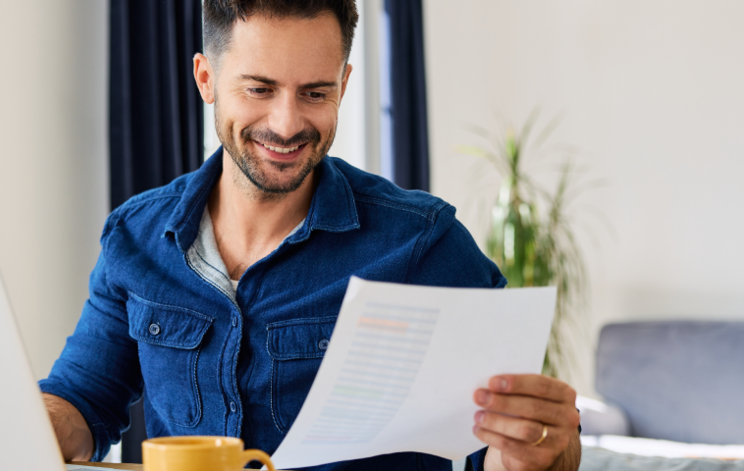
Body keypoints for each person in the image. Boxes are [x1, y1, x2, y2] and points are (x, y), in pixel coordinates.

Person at [39, 1, 581, 470]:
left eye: (315, 93)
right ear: (206, 79)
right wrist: (35, 420)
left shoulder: (423, 243)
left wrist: (534, 450)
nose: (287, 123)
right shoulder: (134, 236)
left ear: (343, 84)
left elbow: (516, 442)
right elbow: (81, 402)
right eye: (260, 88)